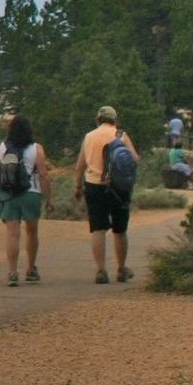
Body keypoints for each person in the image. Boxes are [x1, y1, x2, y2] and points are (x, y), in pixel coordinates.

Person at [74, 105, 137, 285]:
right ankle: (121, 269)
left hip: (94, 185)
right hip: (118, 188)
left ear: (97, 120)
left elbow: (80, 166)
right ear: (114, 120)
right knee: (120, 229)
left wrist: (78, 187)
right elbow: (134, 159)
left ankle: (101, 271)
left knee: (98, 229)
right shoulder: (120, 135)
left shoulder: (89, 137)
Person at [0, 114, 49, 287]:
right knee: (32, 232)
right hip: (31, 193)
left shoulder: (2, 148)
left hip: (8, 194)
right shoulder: (36, 148)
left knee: (12, 234)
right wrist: (48, 197)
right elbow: (43, 174)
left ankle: (12, 273)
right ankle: (31, 269)